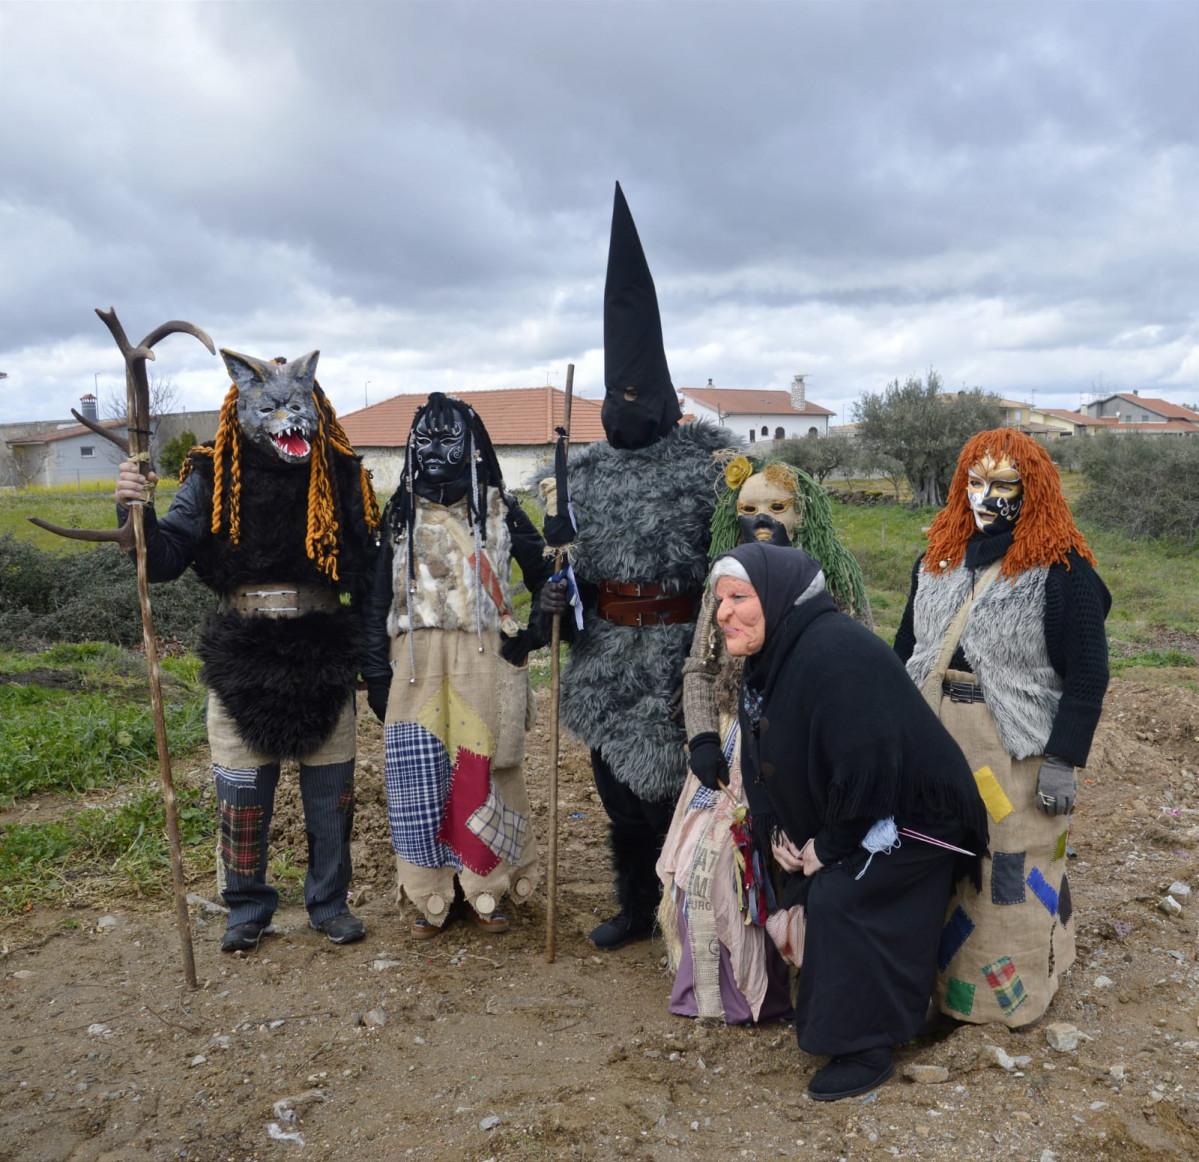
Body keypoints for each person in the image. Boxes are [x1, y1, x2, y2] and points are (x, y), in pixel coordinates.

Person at [115, 350, 379, 952]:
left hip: (323, 653)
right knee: (241, 795)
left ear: (316, 403)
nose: (291, 417)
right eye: (275, 407)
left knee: (331, 796)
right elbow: (162, 559)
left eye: (299, 404)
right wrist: (133, 506)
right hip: (243, 656)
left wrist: (373, 661)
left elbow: (367, 572)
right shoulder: (213, 472)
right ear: (243, 405)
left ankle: (329, 903)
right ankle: (247, 907)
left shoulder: (341, 472)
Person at [714, 542, 988, 1100]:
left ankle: (867, 1045)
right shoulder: (770, 659)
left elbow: (872, 765)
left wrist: (828, 847)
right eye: (719, 599)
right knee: (804, 883)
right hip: (862, 808)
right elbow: (754, 758)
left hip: (918, 820)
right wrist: (775, 834)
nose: (723, 613)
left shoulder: (835, 652)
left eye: (739, 598)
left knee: (841, 898)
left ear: (777, 598)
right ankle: (842, 1010)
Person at [546, 182, 734, 951]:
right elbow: (561, 572)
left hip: (679, 653)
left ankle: (687, 906)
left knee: (685, 786)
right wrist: (555, 579)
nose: (623, 405)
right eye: (612, 395)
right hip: (604, 657)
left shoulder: (708, 467)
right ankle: (633, 907)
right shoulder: (579, 474)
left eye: (637, 393)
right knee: (617, 792)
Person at [894, 427, 1110, 1027]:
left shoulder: (1063, 573)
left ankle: (1003, 999)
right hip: (932, 736)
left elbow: (1089, 675)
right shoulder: (934, 561)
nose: (985, 496)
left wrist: (1065, 757)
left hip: (1012, 748)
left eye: (1004, 485)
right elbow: (906, 647)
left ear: (1033, 490)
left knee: (1008, 865)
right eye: (974, 481)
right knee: (935, 857)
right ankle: (931, 990)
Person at [659, 455, 873, 1022]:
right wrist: (703, 736)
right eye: (749, 509)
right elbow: (699, 671)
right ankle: (734, 988)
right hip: (732, 743)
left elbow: (860, 670)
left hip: (806, 745)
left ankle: (824, 976)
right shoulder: (724, 580)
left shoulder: (836, 578)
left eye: (776, 508)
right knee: (712, 858)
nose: (762, 521)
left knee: (801, 856)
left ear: (806, 514)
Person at [362, 392, 553, 937]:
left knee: (483, 768)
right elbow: (376, 597)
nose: (436, 450)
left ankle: (488, 886)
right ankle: (429, 894)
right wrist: (376, 671)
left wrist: (531, 635)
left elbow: (544, 577)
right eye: (425, 439)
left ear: (473, 446)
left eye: (451, 439)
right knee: (416, 776)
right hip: (415, 662)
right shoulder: (399, 515)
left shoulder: (500, 510)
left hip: (481, 655)